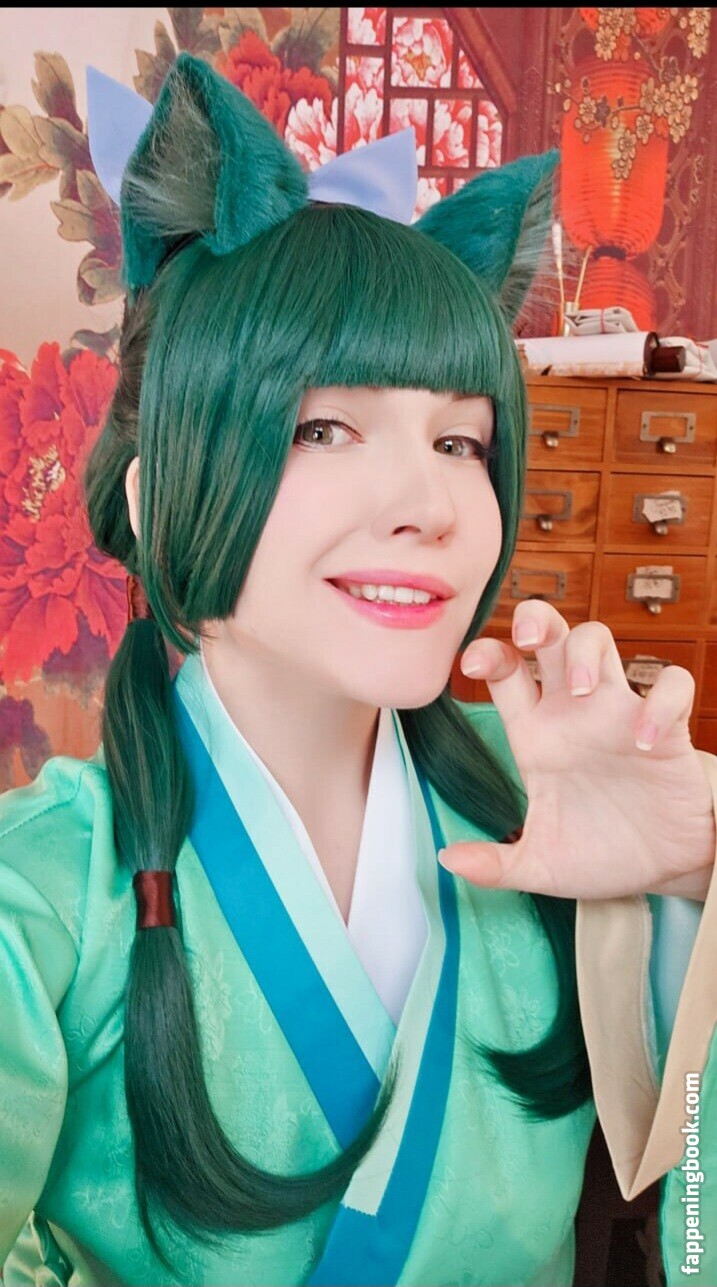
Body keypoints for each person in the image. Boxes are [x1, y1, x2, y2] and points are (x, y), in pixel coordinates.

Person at [0, 52, 715, 1287]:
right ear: (158, 494)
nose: (431, 504)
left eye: (461, 441)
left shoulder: (565, 811)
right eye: (324, 426)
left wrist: (695, 875)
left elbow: (692, 1224)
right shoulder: (48, 891)